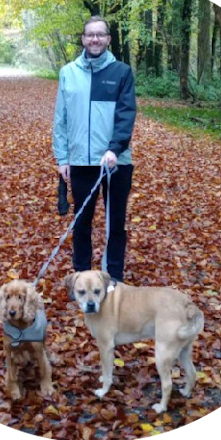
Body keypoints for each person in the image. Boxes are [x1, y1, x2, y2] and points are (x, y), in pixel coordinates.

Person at [53, 16, 137, 282]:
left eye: (101, 35)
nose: (95, 39)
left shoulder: (121, 72)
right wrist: (62, 158)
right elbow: (61, 118)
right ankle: (82, 278)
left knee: (115, 225)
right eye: (90, 34)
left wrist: (115, 149)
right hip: (79, 162)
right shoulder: (68, 72)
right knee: (81, 223)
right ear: (83, 39)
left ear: (109, 39)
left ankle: (114, 279)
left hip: (116, 162)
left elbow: (126, 115)